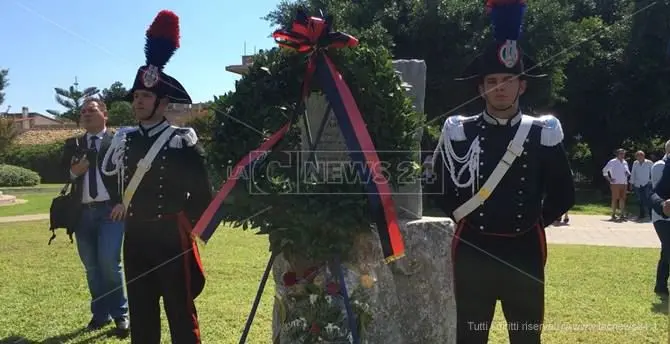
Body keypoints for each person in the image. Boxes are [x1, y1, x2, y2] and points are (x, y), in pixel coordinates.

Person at [430, 1, 575, 342]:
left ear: (522, 85)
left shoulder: (542, 132)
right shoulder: (459, 131)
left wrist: (529, 220)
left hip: (523, 250)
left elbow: (563, 192)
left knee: (526, 336)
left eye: (508, 80)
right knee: (470, 333)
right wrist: (467, 218)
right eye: (491, 80)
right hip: (473, 248)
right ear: (480, 88)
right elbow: (437, 186)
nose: (500, 87)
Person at [100, 10, 213, 343]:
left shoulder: (182, 140)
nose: (138, 102)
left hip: (171, 236)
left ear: (163, 103)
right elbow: (110, 178)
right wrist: (120, 202)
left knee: (180, 308)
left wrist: (185, 225)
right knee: (141, 308)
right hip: (135, 235)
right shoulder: (124, 139)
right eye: (136, 97)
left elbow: (203, 193)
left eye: (145, 96)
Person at [60, 98, 129, 335]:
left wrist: (123, 202)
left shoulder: (118, 142)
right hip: (82, 214)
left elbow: (130, 175)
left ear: (105, 114)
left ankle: (120, 315)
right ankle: (100, 315)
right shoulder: (74, 143)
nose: (86, 114)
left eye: (92, 110)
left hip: (111, 211)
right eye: (83, 111)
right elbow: (60, 173)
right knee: (92, 267)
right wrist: (73, 172)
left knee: (109, 263)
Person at [647, 140, 670, 299]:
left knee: (667, 250)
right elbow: (653, 192)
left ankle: (660, 286)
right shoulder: (660, 167)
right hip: (661, 217)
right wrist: (662, 205)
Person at [602, 148, 631, 221]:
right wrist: (609, 179)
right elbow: (604, 171)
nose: (622, 155)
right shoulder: (612, 162)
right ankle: (613, 214)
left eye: (623, 153)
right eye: (621, 153)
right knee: (614, 199)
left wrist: (627, 174)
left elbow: (627, 172)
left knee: (622, 199)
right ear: (617, 154)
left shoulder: (625, 162)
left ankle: (622, 214)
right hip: (615, 183)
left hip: (624, 183)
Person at [630, 150, 653, 221]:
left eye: (641, 155)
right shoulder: (635, 163)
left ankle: (651, 215)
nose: (639, 157)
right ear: (636, 157)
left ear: (644, 156)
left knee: (648, 199)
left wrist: (652, 181)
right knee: (639, 200)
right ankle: (642, 214)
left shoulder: (649, 162)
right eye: (638, 156)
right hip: (637, 184)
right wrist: (631, 183)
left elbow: (653, 172)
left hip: (647, 183)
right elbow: (633, 173)